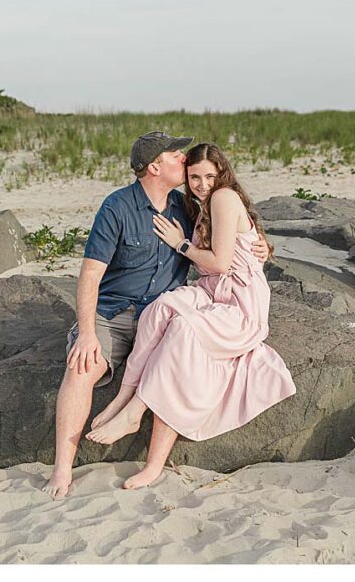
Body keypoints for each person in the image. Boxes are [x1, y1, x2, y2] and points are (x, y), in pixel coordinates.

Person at [42, 132, 271, 499]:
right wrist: (86, 333)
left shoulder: (188, 204)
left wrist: (259, 242)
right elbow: (90, 275)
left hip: (162, 310)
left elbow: (232, 229)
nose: (183, 159)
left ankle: (146, 449)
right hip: (114, 311)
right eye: (176, 155)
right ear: (154, 166)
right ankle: (62, 471)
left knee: (179, 354)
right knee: (82, 366)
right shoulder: (117, 208)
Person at [86, 142, 296, 489]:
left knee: (181, 333)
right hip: (213, 292)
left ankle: (142, 431)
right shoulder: (198, 204)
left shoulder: (223, 197)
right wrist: (261, 242)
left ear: (222, 174)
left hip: (240, 306)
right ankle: (122, 401)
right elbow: (241, 242)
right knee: (159, 310)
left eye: (209, 176)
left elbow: (220, 262)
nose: (201, 184)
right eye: (194, 176)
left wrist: (181, 244)